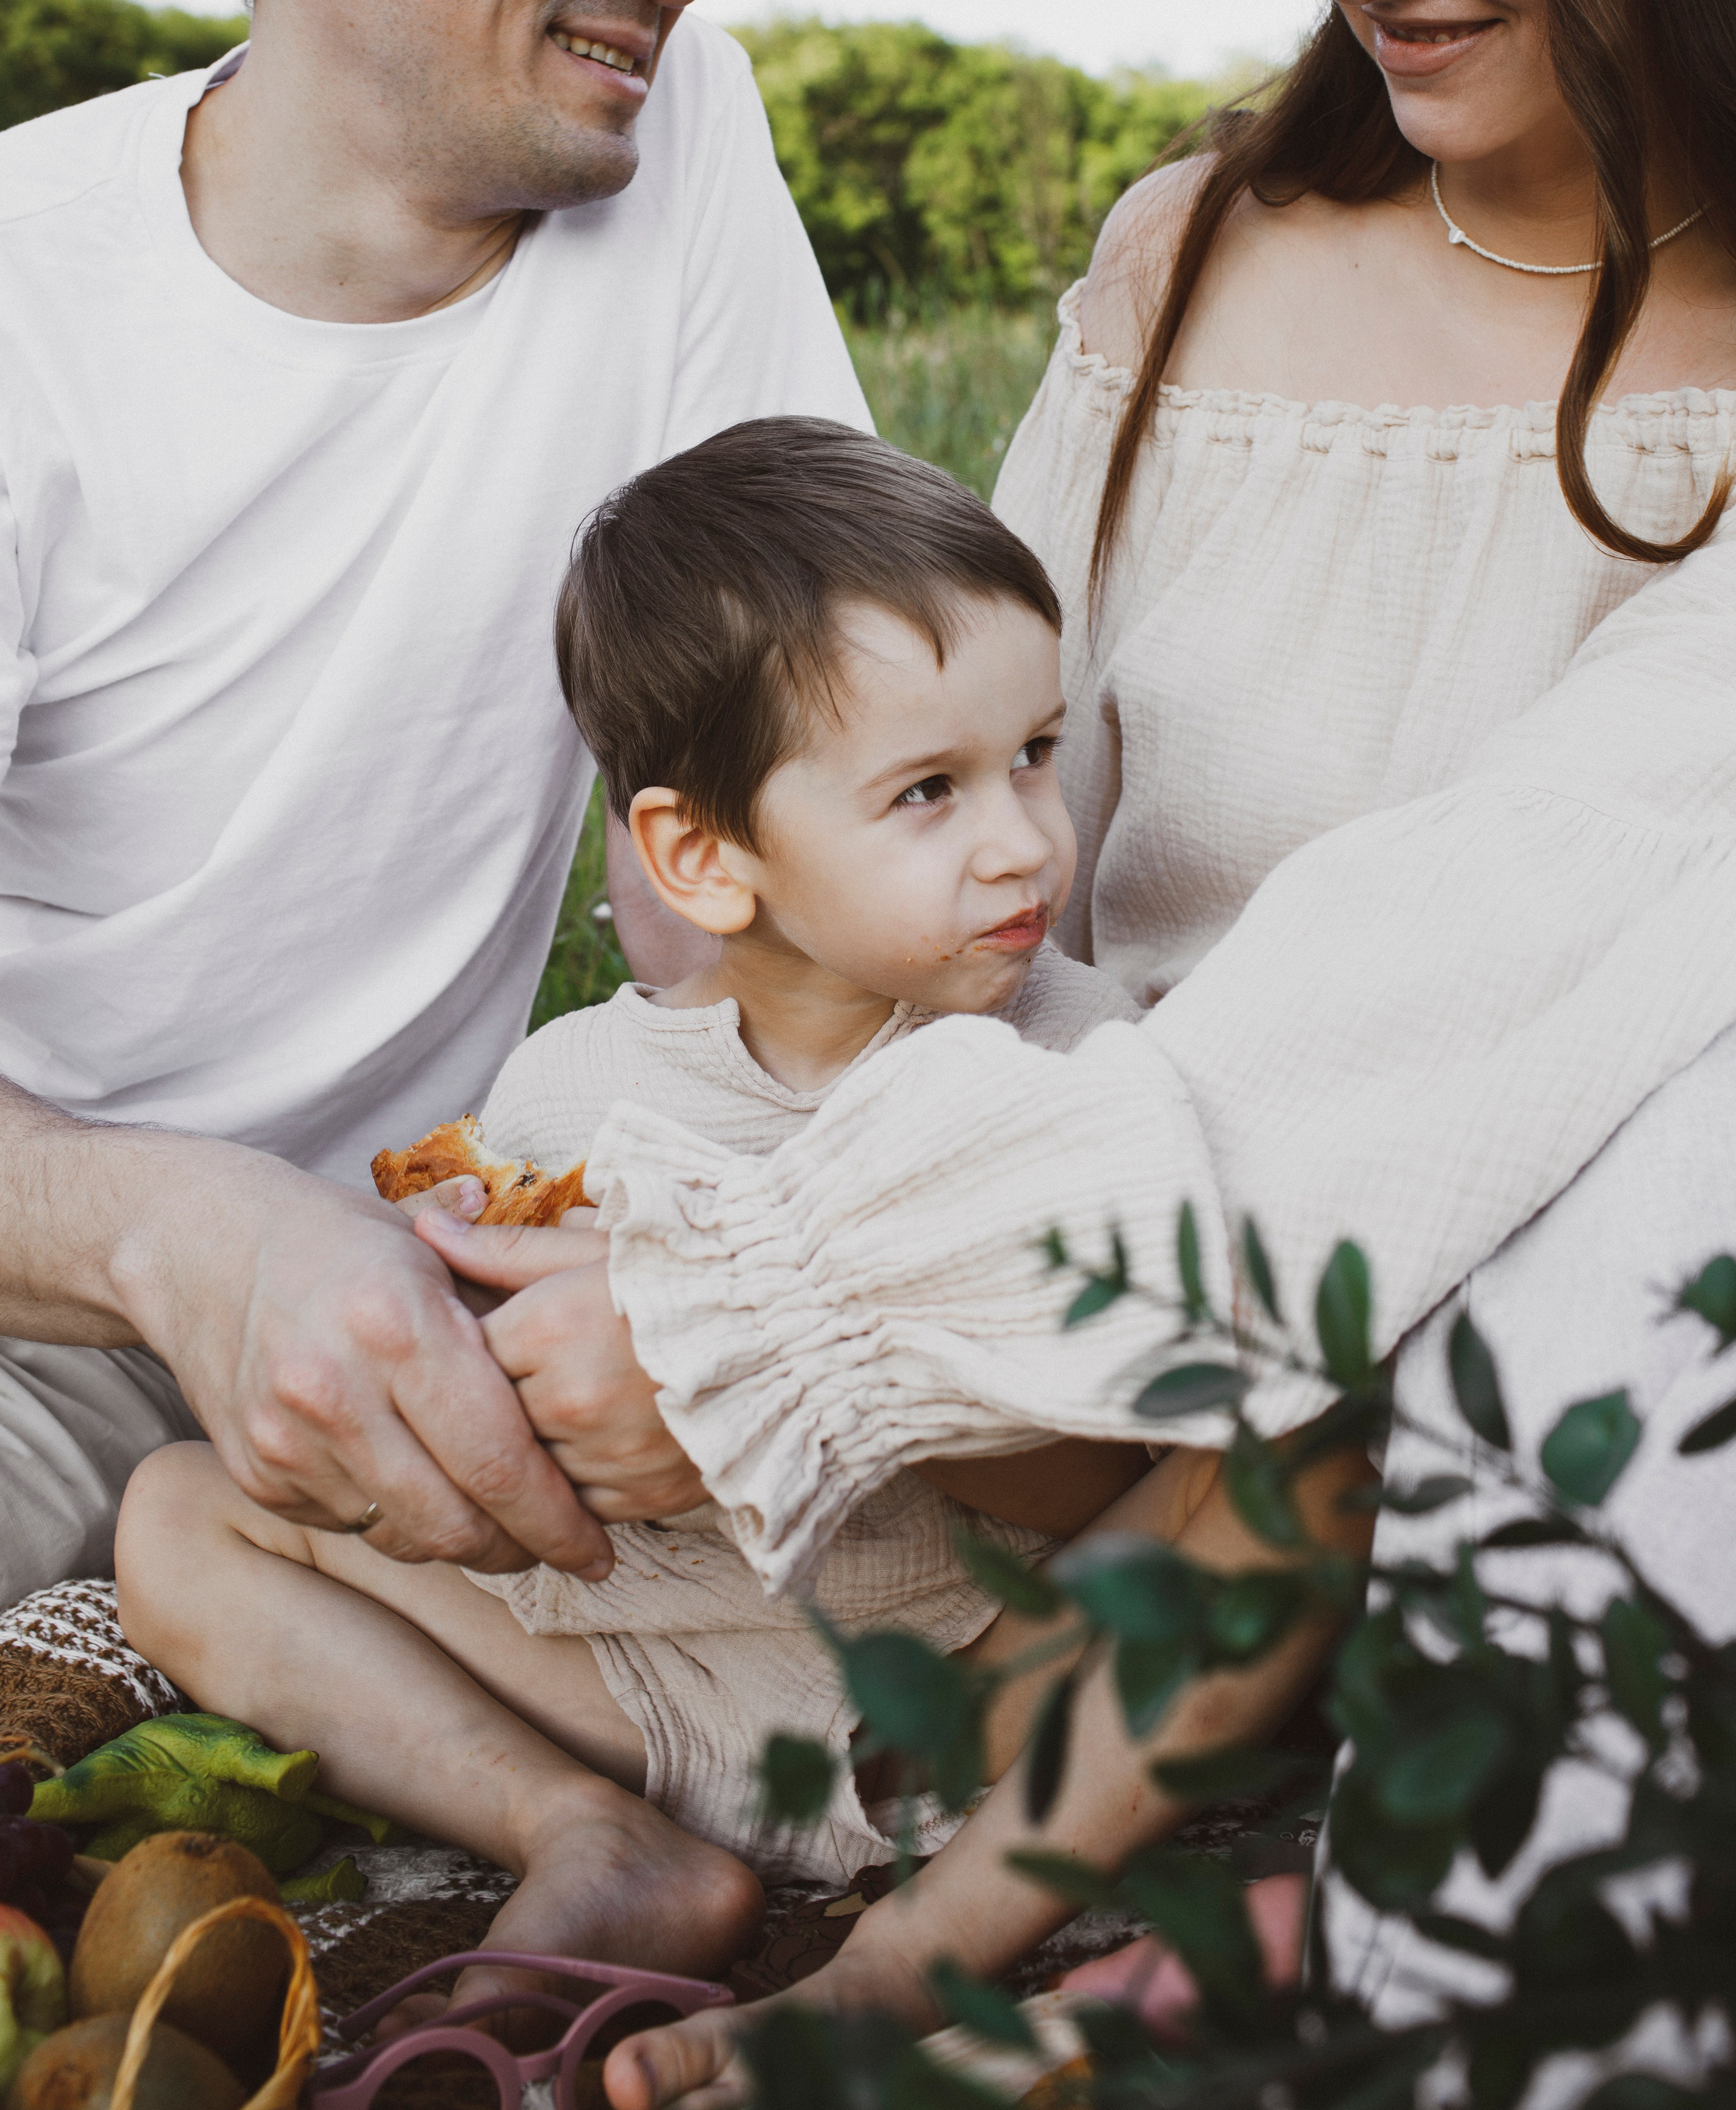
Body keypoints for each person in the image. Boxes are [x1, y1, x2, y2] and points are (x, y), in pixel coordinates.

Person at [380, 2, 1736, 2101]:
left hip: (1407, 1332)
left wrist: (795, 1305)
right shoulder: (1192, 249)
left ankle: (998, 1968)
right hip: (1054, 1288)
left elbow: (1526, 924)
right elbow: (988, 785)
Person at [117, 418, 1206, 2001]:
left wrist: (781, 1357)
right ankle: (585, 1828)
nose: (1024, 839)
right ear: (702, 857)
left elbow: (1119, 1461)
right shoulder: (581, 1091)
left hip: (964, 1688)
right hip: (650, 1667)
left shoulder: (1067, 1061)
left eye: (1034, 754)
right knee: (179, 1509)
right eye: (928, 790)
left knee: (1248, 1514)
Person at [0, 0, 869, 1607]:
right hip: (40, 1295)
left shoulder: (670, 119)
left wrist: (726, 1242)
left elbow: (776, 807)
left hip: (457, 1280)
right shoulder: (27, 297)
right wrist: (182, 1237)